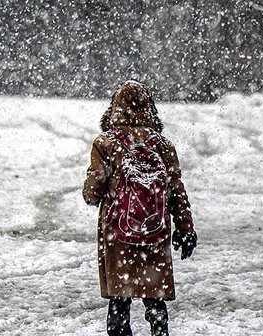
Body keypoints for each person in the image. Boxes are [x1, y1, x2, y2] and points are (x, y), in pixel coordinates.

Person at [83, 81, 197, 336]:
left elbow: (93, 191)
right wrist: (185, 227)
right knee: (153, 295)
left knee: (119, 298)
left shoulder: (106, 144)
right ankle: (159, 331)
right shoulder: (163, 145)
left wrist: (92, 193)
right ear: (150, 108)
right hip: (154, 231)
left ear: (114, 108)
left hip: (118, 232)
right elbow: (176, 190)